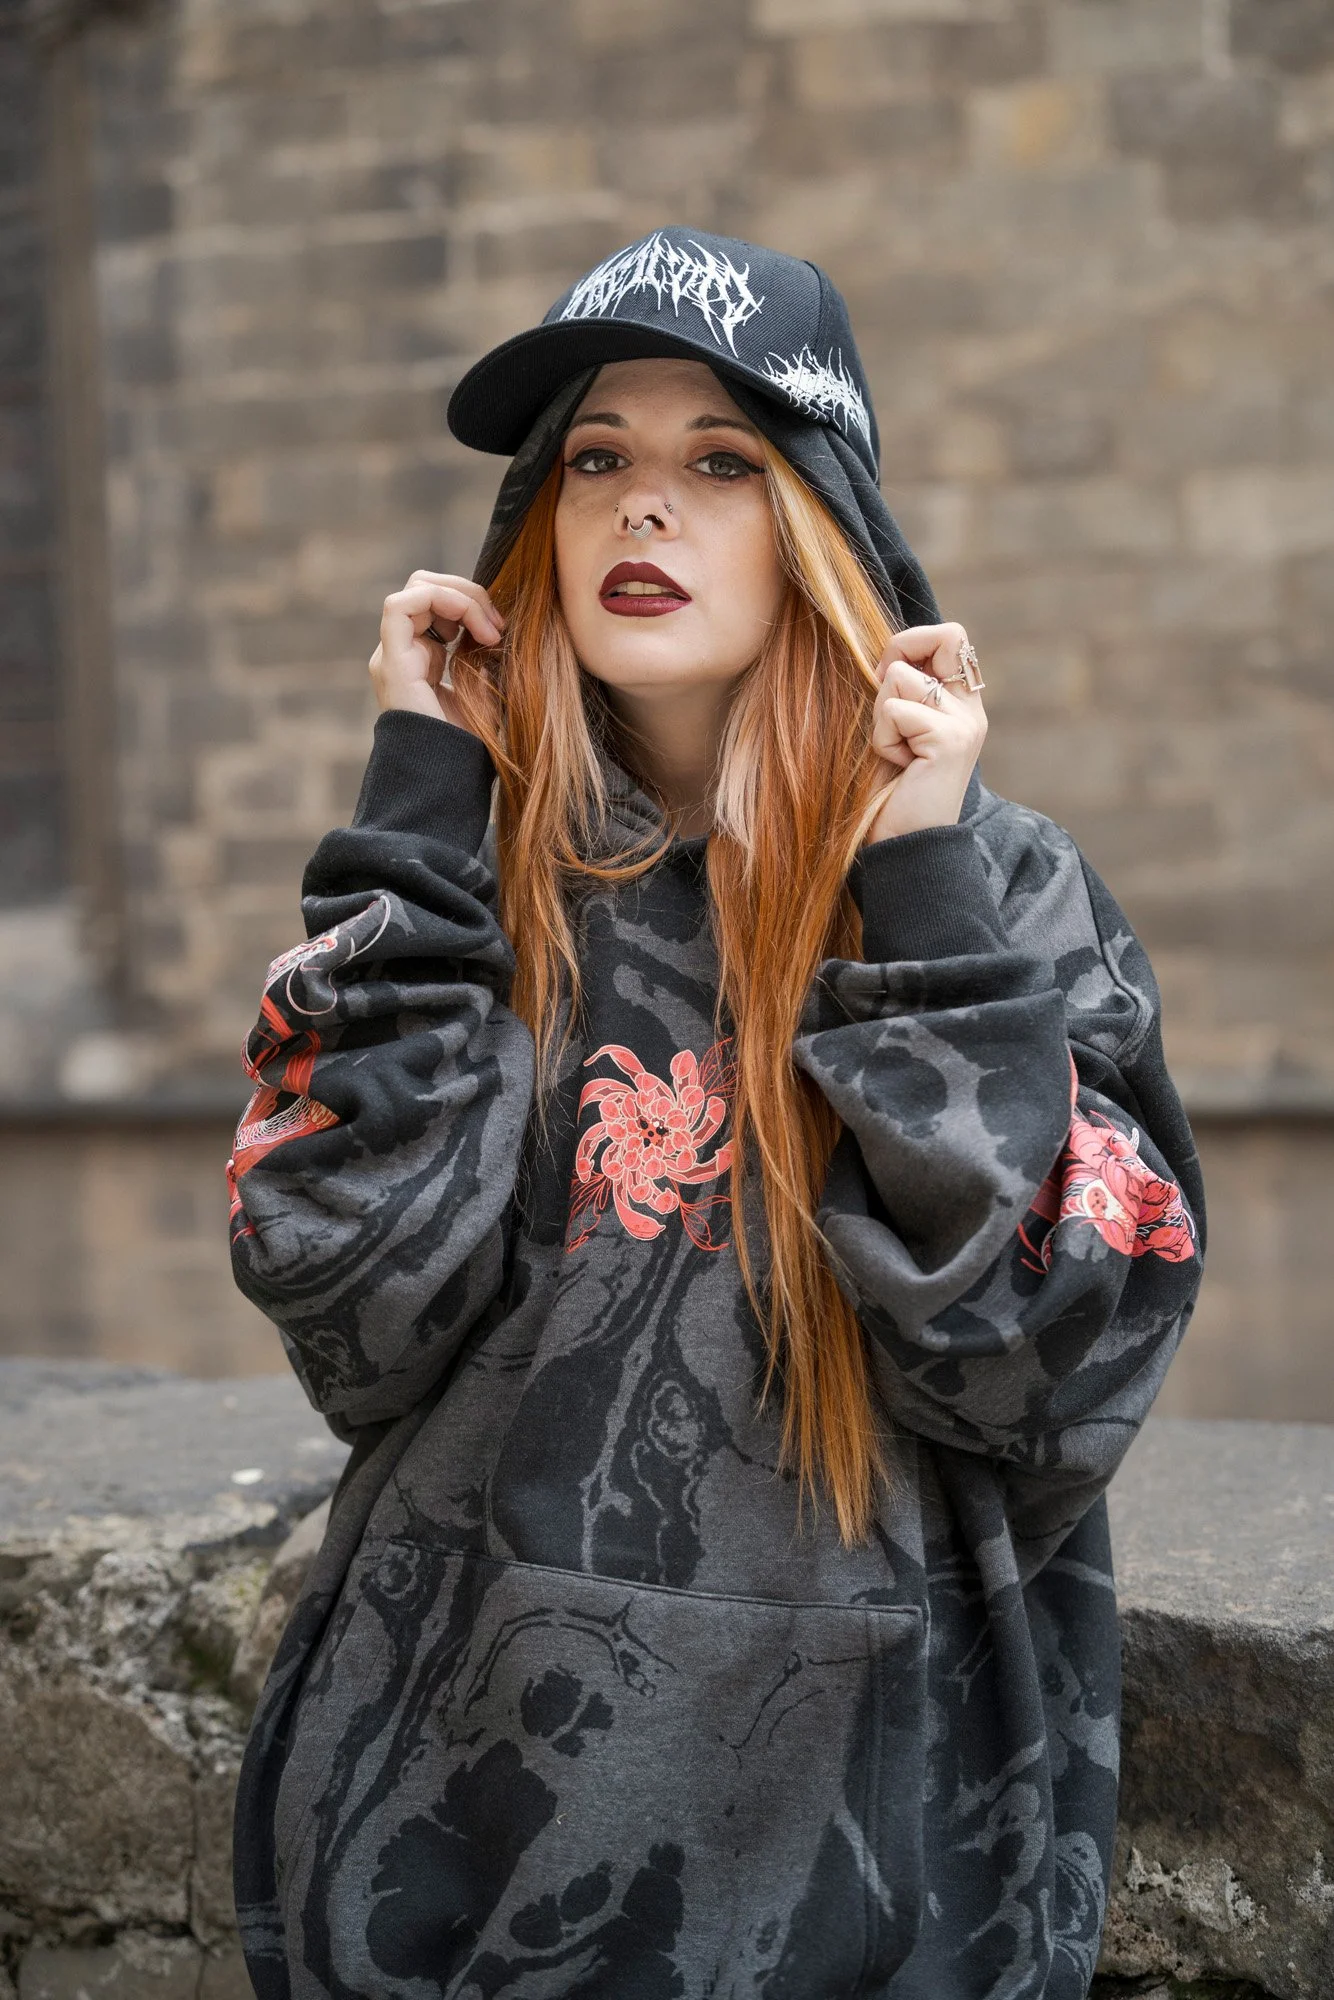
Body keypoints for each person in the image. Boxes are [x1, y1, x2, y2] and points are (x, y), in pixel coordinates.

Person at [227, 228, 1204, 2000]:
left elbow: (1044, 1379)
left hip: (875, 1872)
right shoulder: (463, 884)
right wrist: (417, 812)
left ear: (819, 519)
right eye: (594, 459)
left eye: (718, 463)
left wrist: (913, 893)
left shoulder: (1003, 891)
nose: (639, 511)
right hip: (433, 1858)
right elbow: (348, 1310)